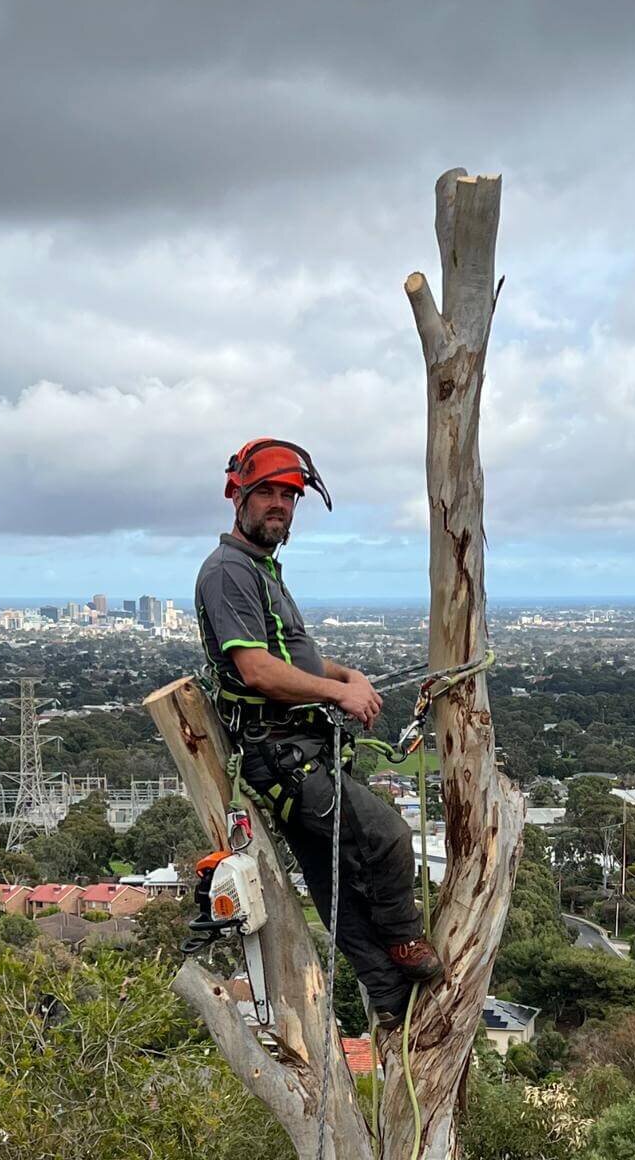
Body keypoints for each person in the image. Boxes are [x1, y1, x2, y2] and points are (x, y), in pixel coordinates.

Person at [195, 437, 443, 1028]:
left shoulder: (260, 570)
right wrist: (340, 693)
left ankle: (388, 998)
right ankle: (404, 945)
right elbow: (256, 670)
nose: (279, 505)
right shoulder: (229, 570)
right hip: (280, 752)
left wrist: (340, 672)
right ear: (239, 497)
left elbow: (287, 655)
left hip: (296, 749)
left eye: (289, 496)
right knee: (385, 838)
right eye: (268, 494)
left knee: (334, 884)